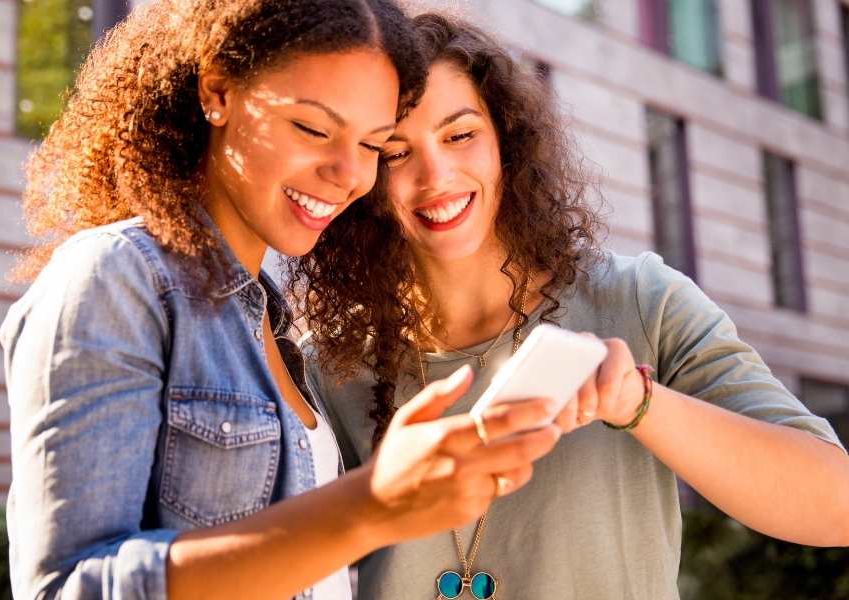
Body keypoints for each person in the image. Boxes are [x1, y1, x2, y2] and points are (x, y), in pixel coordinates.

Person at [0, 2, 565, 599]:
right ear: (218, 90)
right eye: (315, 129)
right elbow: (66, 588)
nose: (349, 174)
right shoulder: (115, 278)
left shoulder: (278, 330)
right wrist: (368, 507)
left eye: (374, 145)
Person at [292, 12, 849, 600]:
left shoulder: (640, 301)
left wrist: (638, 403)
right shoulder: (332, 363)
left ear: (506, 138)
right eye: (397, 152)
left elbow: (835, 504)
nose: (436, 175)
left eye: (460, 135)